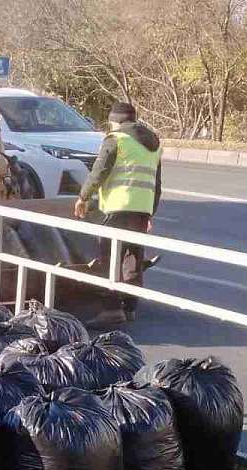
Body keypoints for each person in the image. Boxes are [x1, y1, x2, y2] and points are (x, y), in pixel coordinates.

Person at [74, 101, 162, 326]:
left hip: (117, 207)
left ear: (115, 121)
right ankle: (130, 306)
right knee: (133, 257)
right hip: (141, 207)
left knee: (110, 258)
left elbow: (99, 171)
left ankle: (112, 308)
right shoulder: (152, 144)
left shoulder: (116, 140)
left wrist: (83, 197)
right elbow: (157, 183)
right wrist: (150, 211)